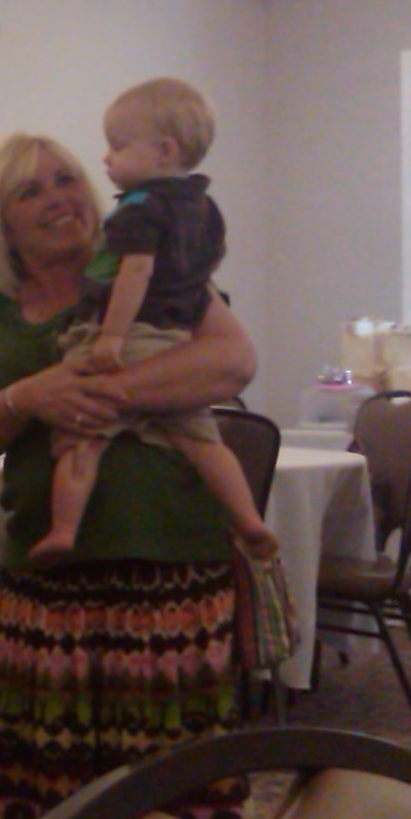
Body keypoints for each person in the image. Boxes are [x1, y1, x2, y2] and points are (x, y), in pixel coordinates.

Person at [0, 131, 257, 819]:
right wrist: (28, 396)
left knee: (170, 774)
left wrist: (94, 393)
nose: (59, 199)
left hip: (170, 565)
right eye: (31, 190)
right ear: (0, 222)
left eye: (66, 180)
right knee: (43, 775)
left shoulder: (163, 275)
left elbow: (232, 363)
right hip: (49, 578)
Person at [30, 77, 276, 563]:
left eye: (118, 147)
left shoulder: (139, 210)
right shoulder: (204, 207)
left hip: (132, 334)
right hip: (175, 338)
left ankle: (63, 529)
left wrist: (112, 335)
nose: (107, 159)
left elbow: (135, 272)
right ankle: (249, 520)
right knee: (203, 442)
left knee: (83, 438)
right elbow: (207, 264)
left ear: (164, 150)